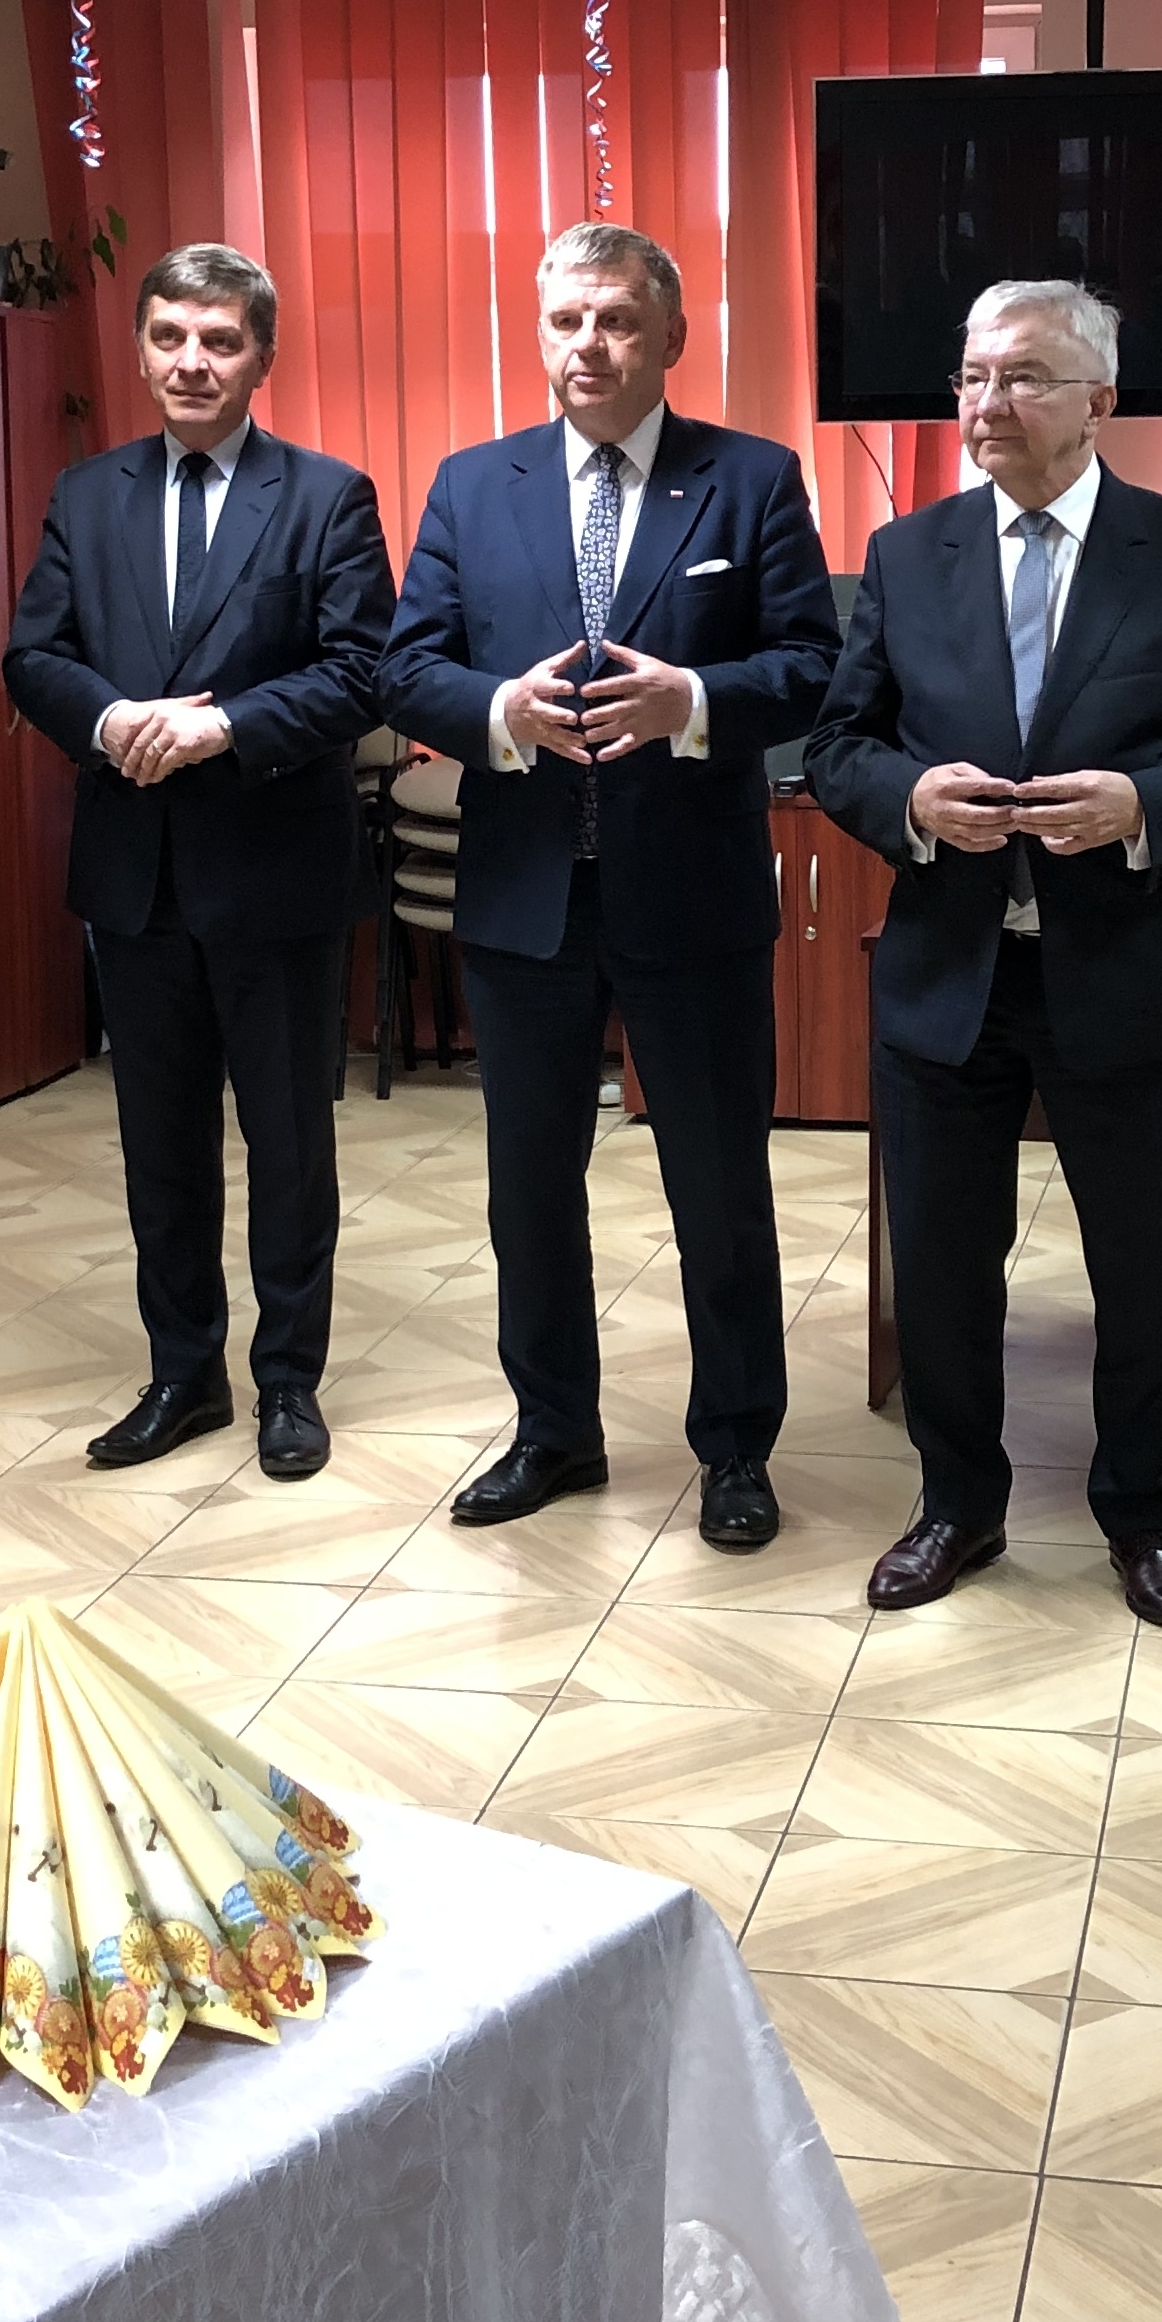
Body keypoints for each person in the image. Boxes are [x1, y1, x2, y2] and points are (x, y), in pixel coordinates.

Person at [802, 282, 1162, 1630]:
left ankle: (1143, 1515)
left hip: (1130, 969)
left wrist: (1145, 809)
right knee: (942, 1267)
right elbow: (839, 748)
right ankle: (957, 1505)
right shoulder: (907, 555)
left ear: (1100, 400)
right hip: (949, 973)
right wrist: (910, 799)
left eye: (1021, 376)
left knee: (1137, 1270)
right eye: (972, 377)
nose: (986, 403)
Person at [379, 221, 838, 1549]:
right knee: (530, 1189)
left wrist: (691, 698)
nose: (589, 343)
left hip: (691, 894)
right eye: (566, 319)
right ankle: (553, 1434)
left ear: (670, 337)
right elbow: (407, 665)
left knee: (718, 1187)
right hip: (525, 895)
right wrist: (499, 711)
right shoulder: (474, 485)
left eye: (618, 320)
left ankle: (736, 1447)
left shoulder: (750, 479)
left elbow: (813, 665)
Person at [1, 243, 390, 1482]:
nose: (192, 362)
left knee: (287, 1143)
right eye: (170, 337)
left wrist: (228, 726)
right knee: (159, 1147)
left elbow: (361, 672)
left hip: (275, 869)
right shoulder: (87, 495)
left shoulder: (326, 496)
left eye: (220, 341)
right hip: (137, 875)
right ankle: (183, 1375)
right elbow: (33, 655)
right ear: (141, 349)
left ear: (262, 358)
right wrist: (111, 718)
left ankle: (289, 1383)